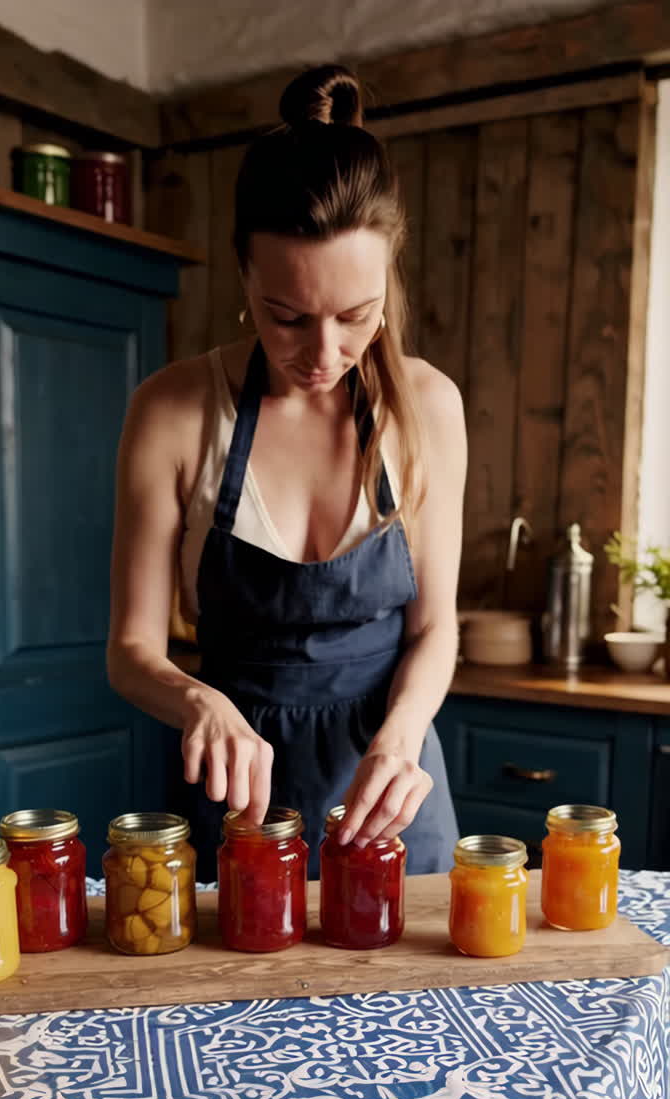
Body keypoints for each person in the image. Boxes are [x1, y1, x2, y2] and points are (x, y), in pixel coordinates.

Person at [107, 64, 466, 882]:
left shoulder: (430, 410)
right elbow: (130, 650)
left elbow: (436, 629)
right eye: (288, 317)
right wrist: (198, 700)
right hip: (240, 807)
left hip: (395, 795)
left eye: (357, 316)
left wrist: (403, 735)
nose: (326, 353)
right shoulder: (172, 412)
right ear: (244, 276)